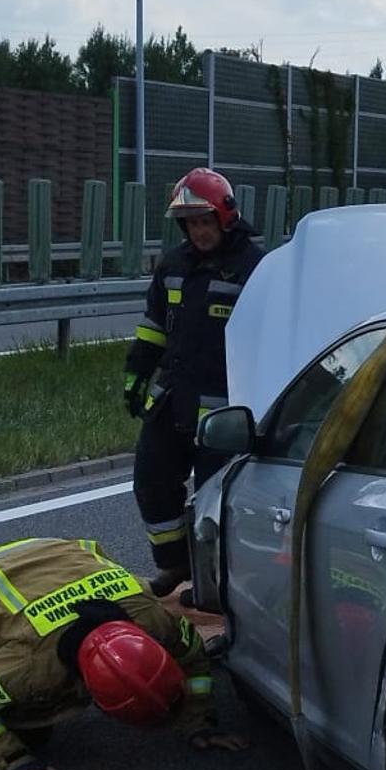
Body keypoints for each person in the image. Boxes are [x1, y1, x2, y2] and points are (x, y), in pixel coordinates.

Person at [0, 538, 247, 770]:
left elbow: (194, 659)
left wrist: (199, 723)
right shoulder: (33, 665)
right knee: (25, 731)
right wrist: (14, 762)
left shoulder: (154, 620)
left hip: (66, 553)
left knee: (40, 715)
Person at [124, 168, 264, 596]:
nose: (198, 231)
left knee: (215, 503)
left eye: (205, 221)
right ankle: (174, 566)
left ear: (225, 217)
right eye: (191, 223)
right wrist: (137, 373)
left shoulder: (254, 269)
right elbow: (153, 327)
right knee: (151, 482)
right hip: (173, 398)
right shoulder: (173, 265)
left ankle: (219, 586)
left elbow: (269, 336)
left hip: (225, 410)